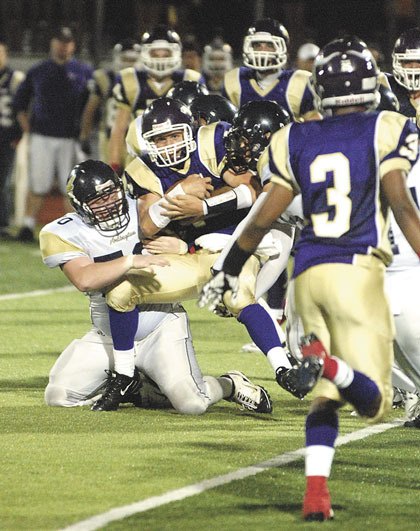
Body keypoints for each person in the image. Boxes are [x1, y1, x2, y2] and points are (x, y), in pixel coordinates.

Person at [198, 37, 420, 520]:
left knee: (329, 397)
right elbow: (402, 205)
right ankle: (337, 368)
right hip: (361, 273)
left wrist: (227, 272)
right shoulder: (389, 127)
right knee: (373, 399)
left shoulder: (292, 138)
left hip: (308, 282)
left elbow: (259, 220)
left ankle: (316, 490)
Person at [105, 97, 304, 399]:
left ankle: (283, 367)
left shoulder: (212, 141)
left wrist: (205, 205)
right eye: (160, 138)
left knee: (236, 293)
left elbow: (256, 189)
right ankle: (123, 375)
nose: (168, 144)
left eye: (174, 135)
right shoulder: (141, 169)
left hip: (239, 240)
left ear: (190, 130)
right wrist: (177, 196)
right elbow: (147, 225)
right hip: (188, 252)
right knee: (120, 291)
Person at [39, 159, 272, 415]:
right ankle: (140, 388)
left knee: (193, 404)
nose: (109, 203)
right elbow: (84, 278)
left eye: (111, 193)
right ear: (81, 207)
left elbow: (185, 219)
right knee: (58, 394)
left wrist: (184, 240)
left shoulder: (140, 209)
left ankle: (229, 384)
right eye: (97, 200)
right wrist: (130, 261)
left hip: (161, 326)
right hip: (109, 335)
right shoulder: (63, 232)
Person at [107, 24, 204, 176]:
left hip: (179, 157)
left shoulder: (190, 79)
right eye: (155, 54)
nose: (160, 59)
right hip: (140, 158)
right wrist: (114, 165)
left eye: (165, 54)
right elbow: (119, 128)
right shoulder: (130, 80)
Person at [222, 18, 320, 121]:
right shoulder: (235, 80)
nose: (262, 51)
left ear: (282, 48)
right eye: (257, 45)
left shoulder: (300, 82)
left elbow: (314, 129)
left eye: (269, 45)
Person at [78, 38, 141, 163]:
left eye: (132, 60)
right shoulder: (105, 78)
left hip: (137, 139)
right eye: (125, 59)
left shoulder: (144, 81)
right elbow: (90, 108)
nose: (128, 64)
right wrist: (84, 135)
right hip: (110, 136)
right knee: (111, 177)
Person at [0, 38, 25, 238]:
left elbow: (22, 108)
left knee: (5, 181)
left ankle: (4, 223)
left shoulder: (15, 78)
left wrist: (19, 134)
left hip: (6, 137)